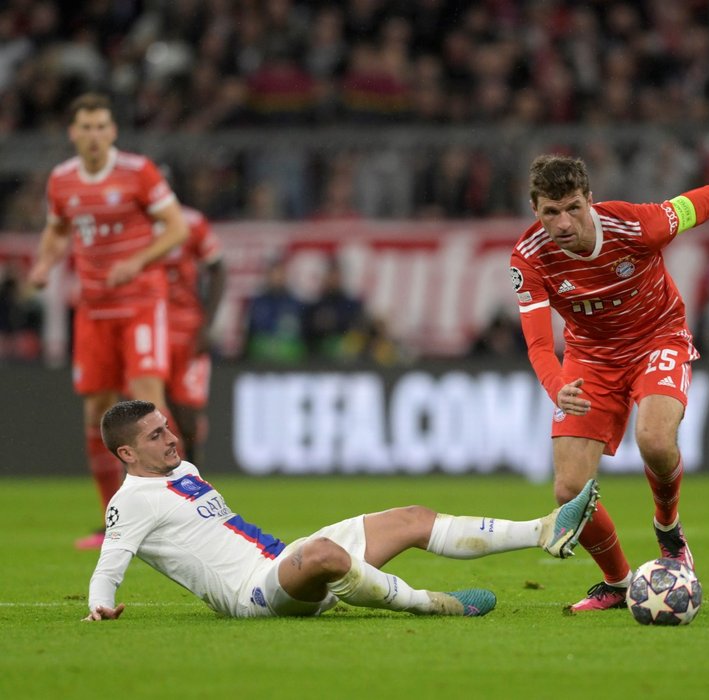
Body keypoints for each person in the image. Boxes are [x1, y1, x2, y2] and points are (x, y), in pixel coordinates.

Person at [510, 154, 709, 612]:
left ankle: (668, 531)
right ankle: (617, 582)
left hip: (658, 338)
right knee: (568, 490)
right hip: (591, 358)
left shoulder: (638, 225)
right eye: (551, 212)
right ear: (536, 210)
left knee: (653, 439)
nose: (564, 222)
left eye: (573, 207)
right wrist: (556, 387)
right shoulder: (529, 258)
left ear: (590, 200)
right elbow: (537, 344)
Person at [84, 400, 600, 621]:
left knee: (412, 516)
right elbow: (110, 562)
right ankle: (434, 604)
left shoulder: (183, 471)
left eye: (167, 427)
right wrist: (101, 604)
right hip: (254, 595)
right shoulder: (129, 502)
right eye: (156, 436)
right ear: (127, 454)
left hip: (282, 559)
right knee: (326, 554)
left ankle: (544, 530)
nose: (171, 438)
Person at [28, 92, 188, 549]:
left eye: (102, 126)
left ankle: (181, 506)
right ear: (73, 133)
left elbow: (174, 228)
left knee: (147, 403)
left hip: (140, 302)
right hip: (94, 311)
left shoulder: (138, 172)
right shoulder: (61, 181)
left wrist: (137, 262)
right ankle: (113, 520)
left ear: (113, 131)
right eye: (86, 127)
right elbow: (57, 229)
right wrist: (43, 264)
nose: (94, 135)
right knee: (97, 413)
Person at [161, 205, 226, 465]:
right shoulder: (133, 225)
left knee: (186, 416)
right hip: (148, 328)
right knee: (149, 413)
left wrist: (207, 325)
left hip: (187, 332)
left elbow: (218, 268)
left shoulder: (191, 223)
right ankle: (147, 485)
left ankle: (195, 480)